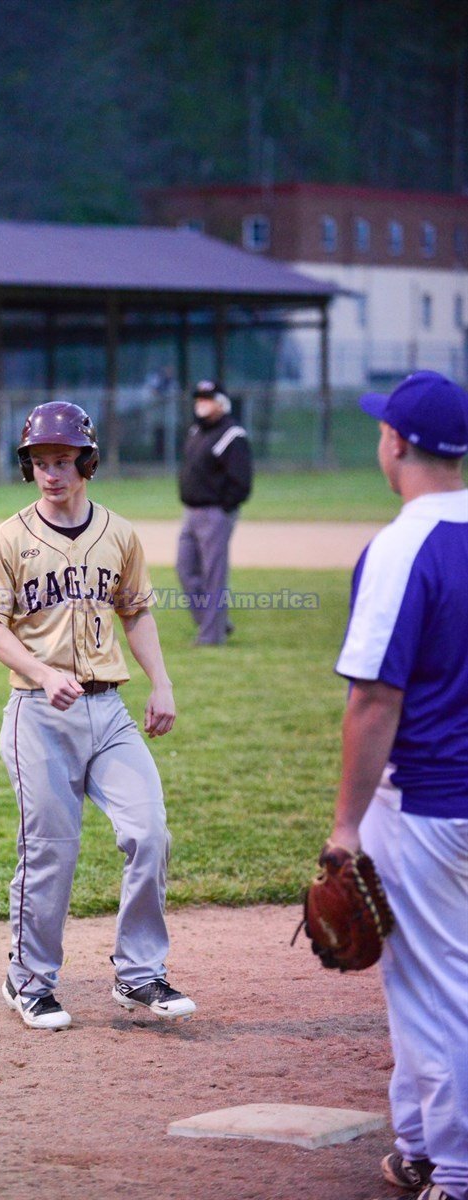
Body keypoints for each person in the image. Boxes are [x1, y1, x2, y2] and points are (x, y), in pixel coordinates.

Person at [0, 400, 195, 1031]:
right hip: (37, 716)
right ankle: (29, 981)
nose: (51, 473)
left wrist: (162, 684)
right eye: (40, 461)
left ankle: (139, 973)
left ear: (87, 463)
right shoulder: (9, 539)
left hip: (110, 713)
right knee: (51, 851)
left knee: (149, 833)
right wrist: (44, 674)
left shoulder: (119, 535)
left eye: (63, 460)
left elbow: (137, 611)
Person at [327, 370, 467, 1200]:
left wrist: (344, 827)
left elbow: (375, 698)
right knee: (428, 975)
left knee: (434, 991)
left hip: (425, 802)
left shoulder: (402, 546)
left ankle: (456, 1168)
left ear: (395, 443)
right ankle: (416, 1142)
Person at [176, 380, 252, 645]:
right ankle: (217, 621)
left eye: (207, 399)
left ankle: (211, 636)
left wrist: (223, 507)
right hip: (191, 511)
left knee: (213, 575)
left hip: (215, 512)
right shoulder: (196, 430)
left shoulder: (232, 435)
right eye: (199, 399)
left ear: (221, 403)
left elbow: (242, 480)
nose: (201, 404)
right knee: (185, 569)